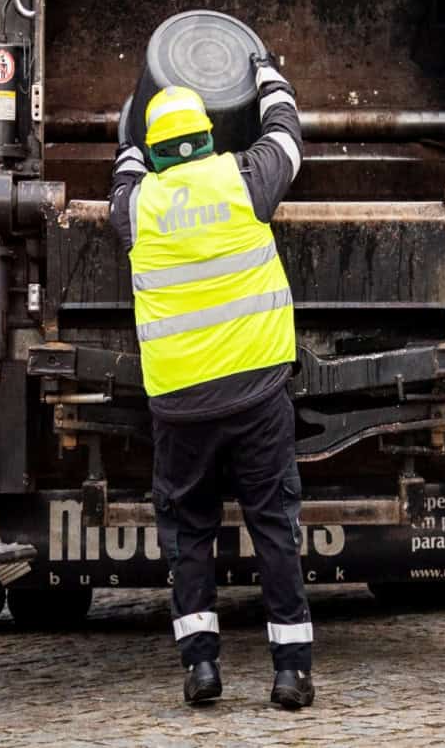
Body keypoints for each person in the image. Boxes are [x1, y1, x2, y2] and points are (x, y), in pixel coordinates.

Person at [109, 58, 314, 710]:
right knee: (275, 526)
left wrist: (134, 116)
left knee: (189, 534)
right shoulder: (244, 179)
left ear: (159, 152)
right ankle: (290, 673)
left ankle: (201, 668)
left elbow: (126, 162)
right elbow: (286, 135)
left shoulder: (138, 207)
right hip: (257, 393)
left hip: (181, 408)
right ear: (209, 137)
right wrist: (268, 76)